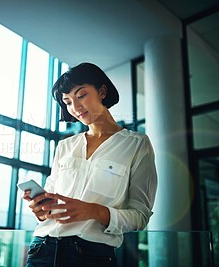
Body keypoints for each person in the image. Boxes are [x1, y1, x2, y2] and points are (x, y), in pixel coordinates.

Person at [22, 62, 157, 267]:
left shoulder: (137, 144)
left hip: (92, 256)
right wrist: (40, 208)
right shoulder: (65, 146)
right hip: (42, 249)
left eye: (81, 95)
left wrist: (93, 211)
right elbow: (51, 202)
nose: (75, 108)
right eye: (67, 102)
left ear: (102, 91)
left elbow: (140, 216)